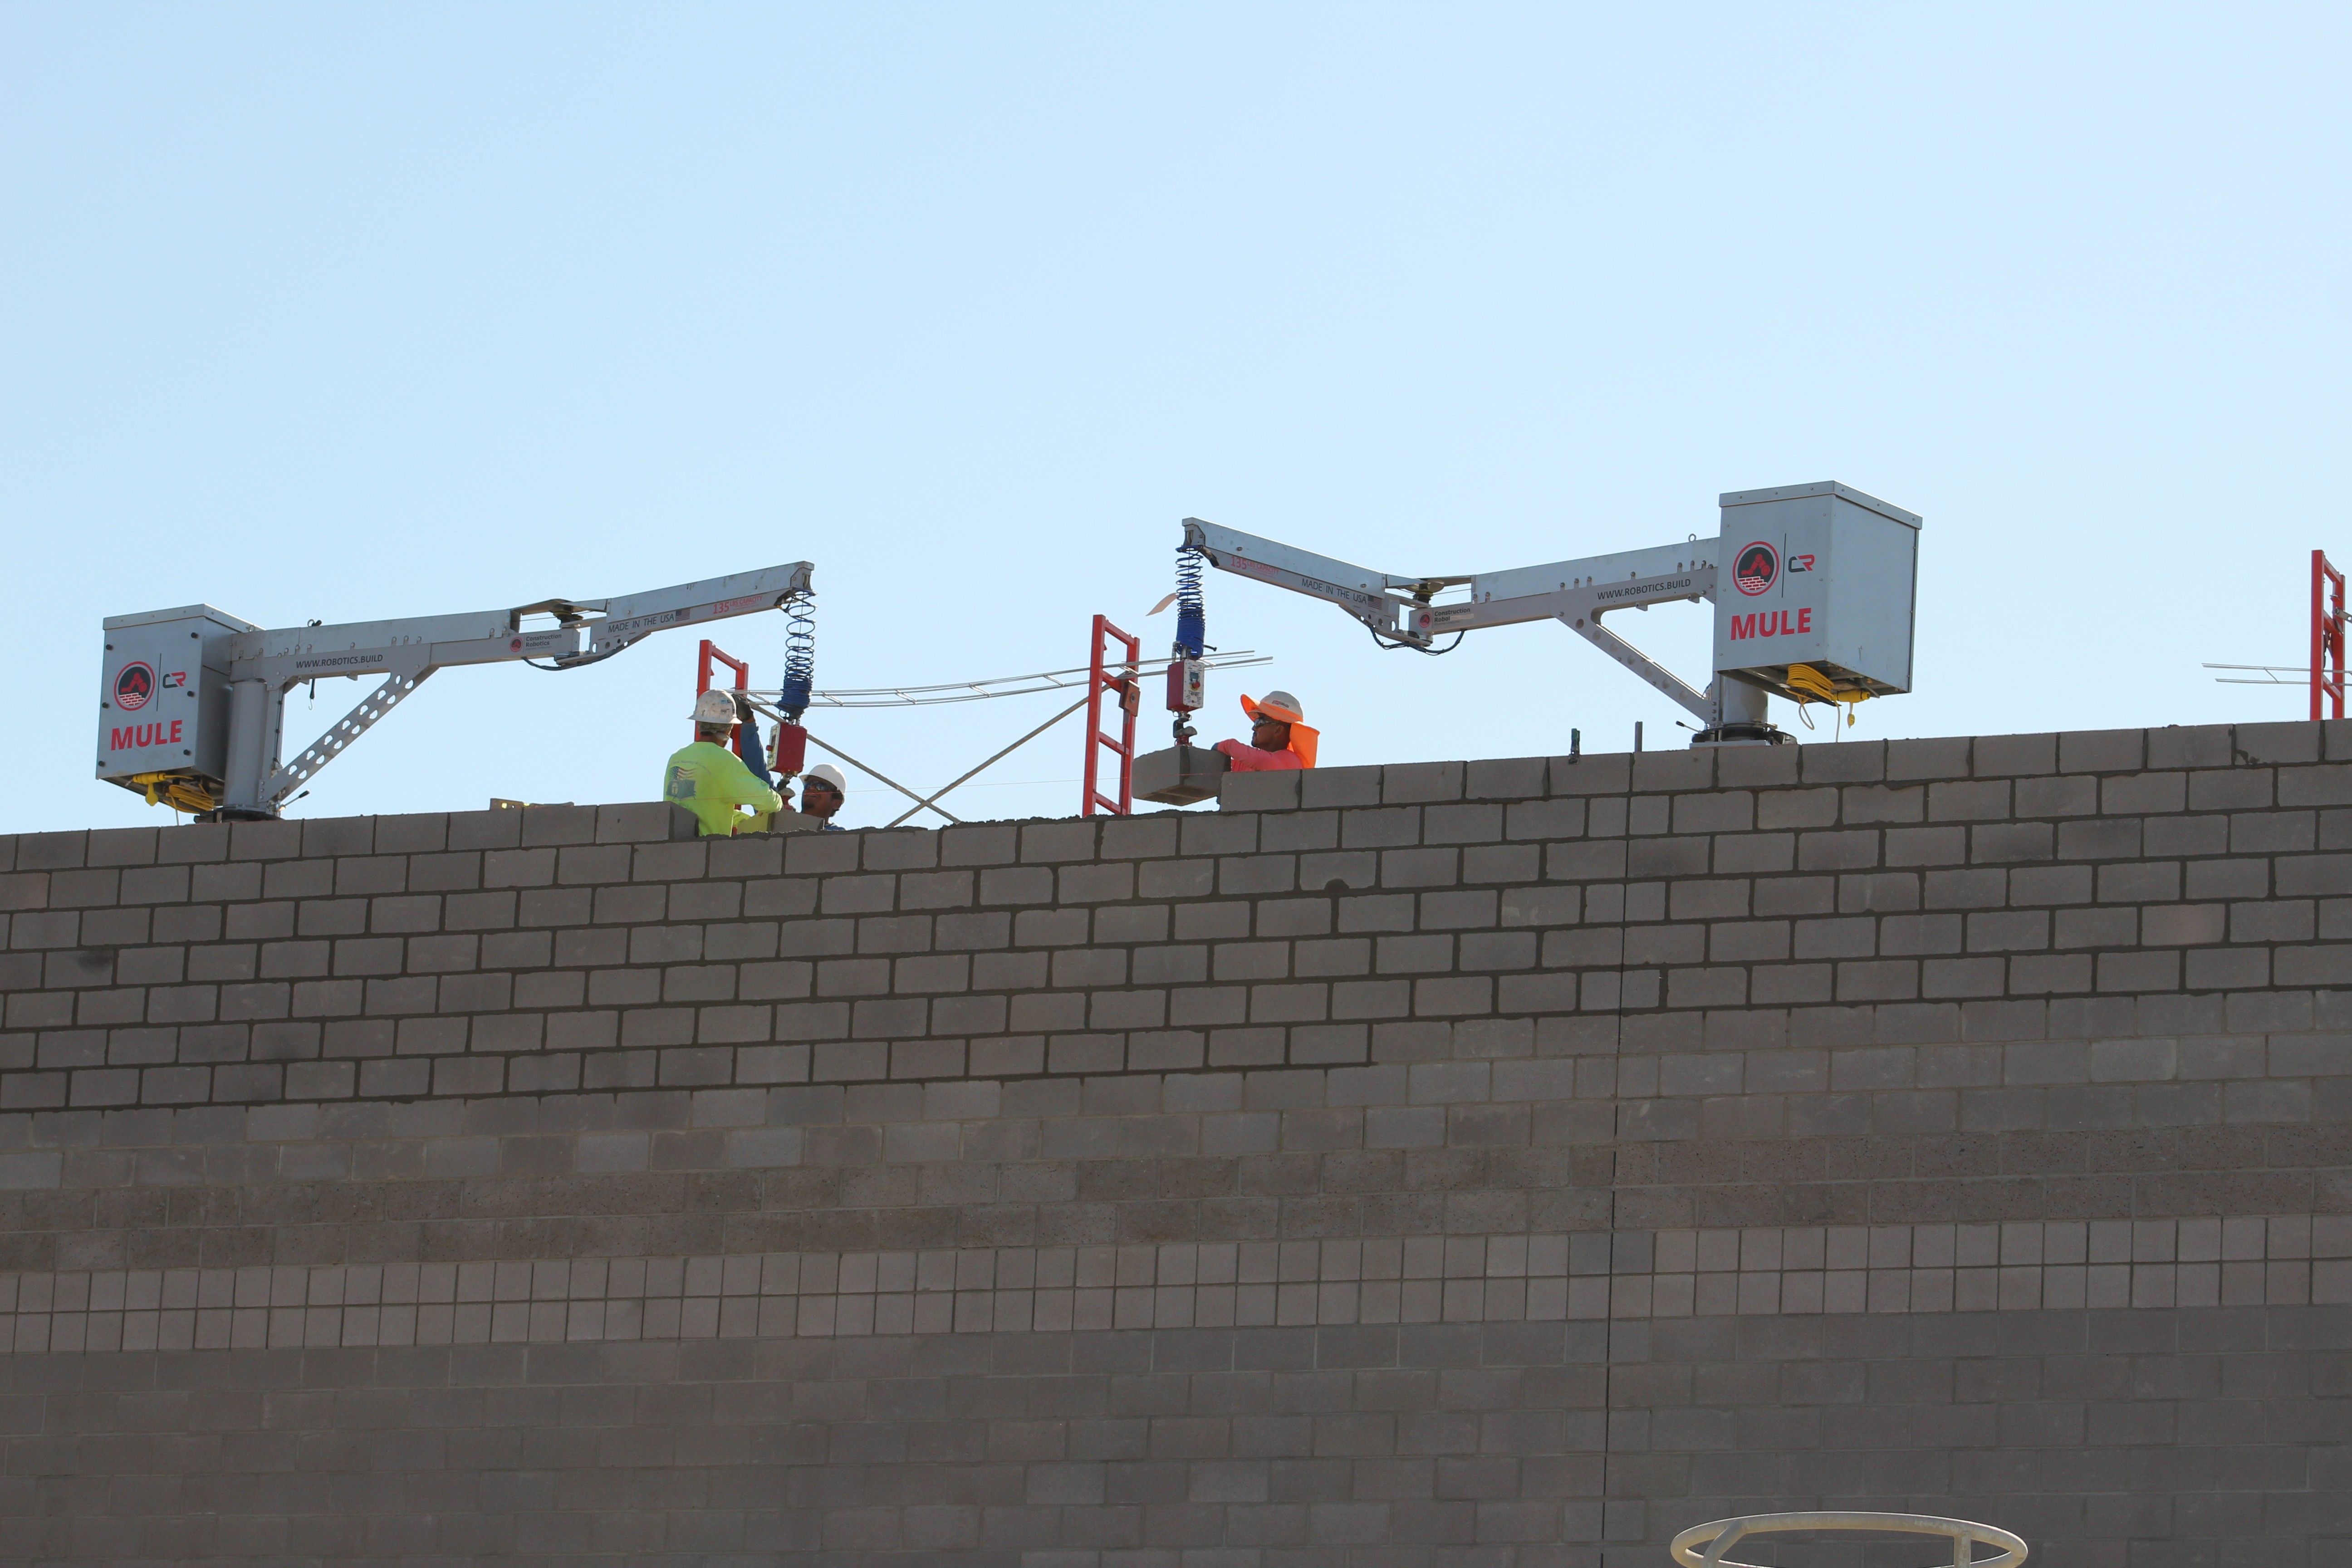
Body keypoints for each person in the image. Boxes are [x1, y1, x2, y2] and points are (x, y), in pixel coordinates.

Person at [665, 689, 785, 835]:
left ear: (699, 724)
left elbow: (696, 805)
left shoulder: (677, 758)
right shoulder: (726, 761)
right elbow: (770, 803)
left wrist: (740, 819)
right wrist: (778, 800)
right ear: (729, 728)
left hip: (671, 850)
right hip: (705, 852)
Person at [1215, 690, 1318, 772]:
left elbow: (1263, 761)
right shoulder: (1248, 764)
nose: (1254, 728)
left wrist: (1227, 746)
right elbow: (1223, 768)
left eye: (1260, 722)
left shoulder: (1291, 761)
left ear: (1278, 730)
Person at [799, 763, 849, 830]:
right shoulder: (787, 821)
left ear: (837, 803)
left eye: (821, 786)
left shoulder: (839, 835)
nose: (812, 788)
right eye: (809, 784)